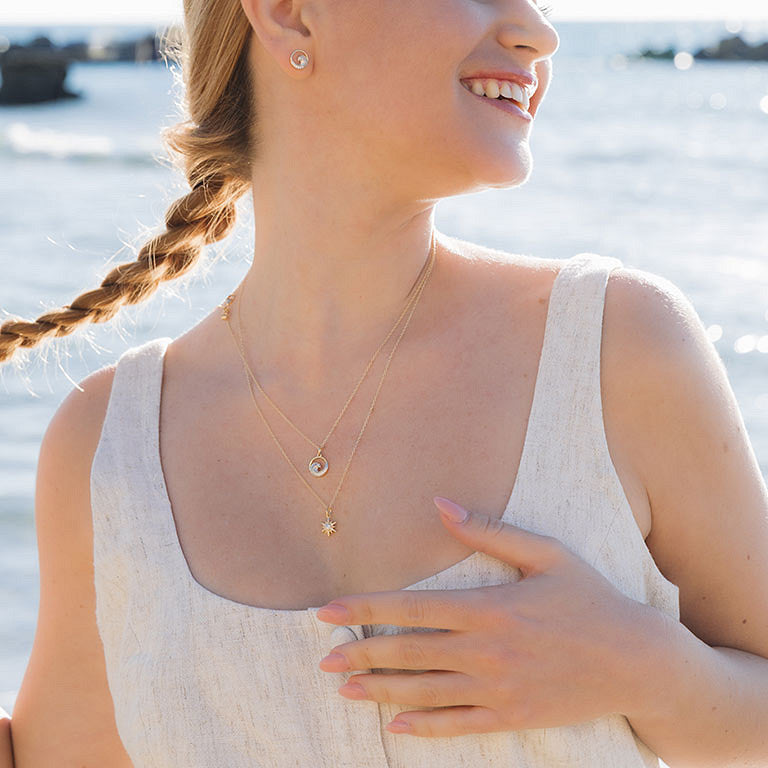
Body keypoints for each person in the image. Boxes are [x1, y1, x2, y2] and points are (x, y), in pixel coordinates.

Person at [2, 0, 768, 766]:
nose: (538, 31)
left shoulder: (618, 350)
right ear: (289, 15)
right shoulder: (108, 450)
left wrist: (650, 671)